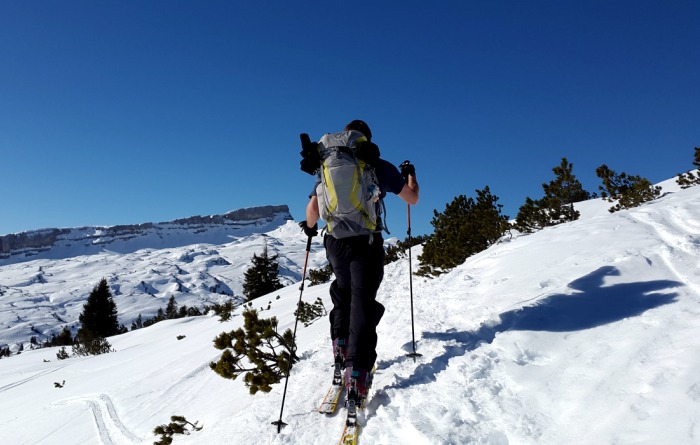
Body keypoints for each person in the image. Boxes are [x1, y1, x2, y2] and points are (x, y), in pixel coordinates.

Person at [299, 119, 419, 402]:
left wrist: (309, 227)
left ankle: (340, 345)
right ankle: (358, 373)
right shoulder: (376, 164)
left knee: (343, 292)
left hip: (335, 242)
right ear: (366, 139)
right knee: (363, 302)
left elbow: (314, 207)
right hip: (366, 241)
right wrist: (410, 175)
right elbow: (411, 199)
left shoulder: (328, 166)